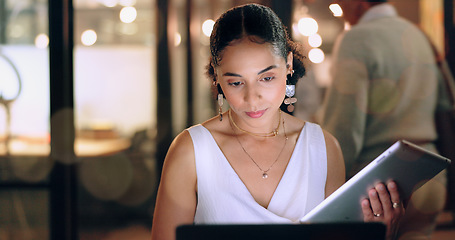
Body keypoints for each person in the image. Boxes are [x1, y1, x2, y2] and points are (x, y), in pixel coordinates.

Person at [151, 3, 404, 240]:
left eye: (267, 78)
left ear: (289, 66)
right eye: (236, 82)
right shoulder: (190, 151)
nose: (252, 98)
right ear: (217, 78)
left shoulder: (323, 148)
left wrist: (378, 234)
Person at [319, 0, 447, 239]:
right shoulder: (418, 34)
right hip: (431, 173)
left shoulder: (356, 39)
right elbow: (442, 103)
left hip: (381, 184)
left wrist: (324, 189)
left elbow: (344, 129)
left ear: (359, 2)